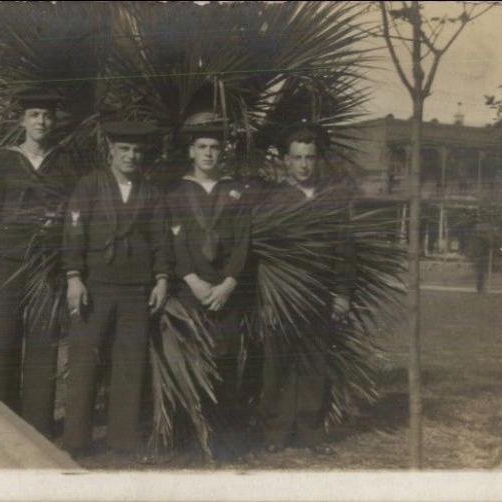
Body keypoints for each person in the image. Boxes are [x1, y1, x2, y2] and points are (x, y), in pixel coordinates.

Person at [0, 89, 81, 437]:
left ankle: (37, 426)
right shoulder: (2, 162)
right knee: (2, 340)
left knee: (42, 342)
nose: (41, 121)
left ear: (54, 121)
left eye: (47, 116)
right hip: (6, 261)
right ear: (22, 121)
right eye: (34, 115)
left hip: (48, 266)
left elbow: (75, 216)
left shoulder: (65, 164)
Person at [61, 121, 171, 457]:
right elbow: (74, 231)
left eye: (137, 151)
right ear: (111, 151)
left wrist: (162, 279)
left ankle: (121, 437)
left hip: (136, 288)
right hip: (94, 285)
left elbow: (161, 239)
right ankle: (77, 440)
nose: (131, 156)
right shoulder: (90, 185)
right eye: (124, 149)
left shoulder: (150, 192)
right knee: (84, 359)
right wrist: (74, 277)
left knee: (129, 361)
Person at [257, 123, 357, 456]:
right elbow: (263, 252)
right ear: (286, 160)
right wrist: (268, 297)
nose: (304, 165)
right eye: (297, 158)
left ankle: (310, 431)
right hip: (282, 296)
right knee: (277, 365)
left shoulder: (333, 198)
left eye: (310, 158)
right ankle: (276, 432)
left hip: (319, 294)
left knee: (314, 364)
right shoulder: (274, 199)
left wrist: (342, 294)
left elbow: (345, 250)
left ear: (318, 160)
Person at [166, 112, 253, 459]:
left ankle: (224, 438)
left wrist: (229, 283)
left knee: (226, 362)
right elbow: (174, 242)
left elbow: (244, 241)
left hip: (224, 293)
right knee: (191, 359)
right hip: (191, 291)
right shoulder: (177, 193)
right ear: (191, 151)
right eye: (202, 146)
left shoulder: (235, 192)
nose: (208, 154)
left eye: (215, 147)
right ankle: (189, 437)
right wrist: (192, 280)